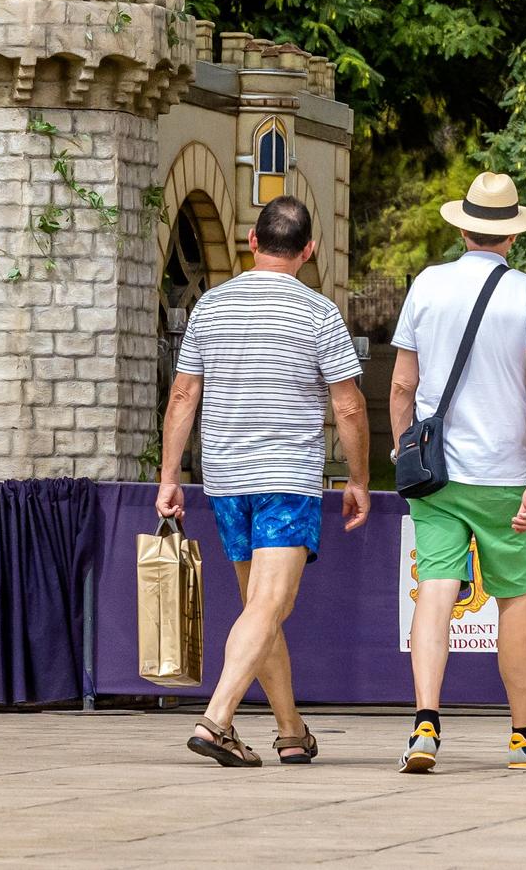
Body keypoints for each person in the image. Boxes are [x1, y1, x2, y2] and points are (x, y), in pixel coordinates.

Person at [156, 195, 370, 768]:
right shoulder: (319, 313)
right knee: (269, 605)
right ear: (309, 250)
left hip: (225, 478)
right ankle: (217, 720)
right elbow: (348, 408)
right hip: (285, 479)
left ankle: (291, 730)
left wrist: (169, 475)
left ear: (253, 242)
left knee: (260, 606)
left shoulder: (210, 308)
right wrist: (359, 479)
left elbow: (183, 394)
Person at [391, 171, 526, 774]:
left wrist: (402, 449)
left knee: (436, 590)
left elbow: (402, 383)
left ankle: (424, 727)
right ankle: (525, 738)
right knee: (515, 601)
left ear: (462, 227)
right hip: (506, 476)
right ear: (511, 236)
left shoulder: (426, 286)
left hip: (436, 475)